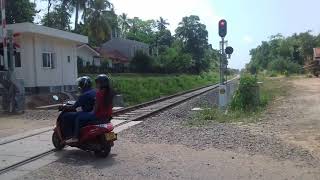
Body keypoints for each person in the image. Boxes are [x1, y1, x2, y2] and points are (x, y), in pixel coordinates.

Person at [65, 74, 114, 143]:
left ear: (101, 84)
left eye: (97, 83)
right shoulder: (110, 93)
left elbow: (95, 109)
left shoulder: (99, 93)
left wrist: (90, 113)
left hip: (98, 115)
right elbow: (111, 106)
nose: (96, 84)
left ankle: (75, 137)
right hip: (107, 116)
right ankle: (109, 139)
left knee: (78, 117)